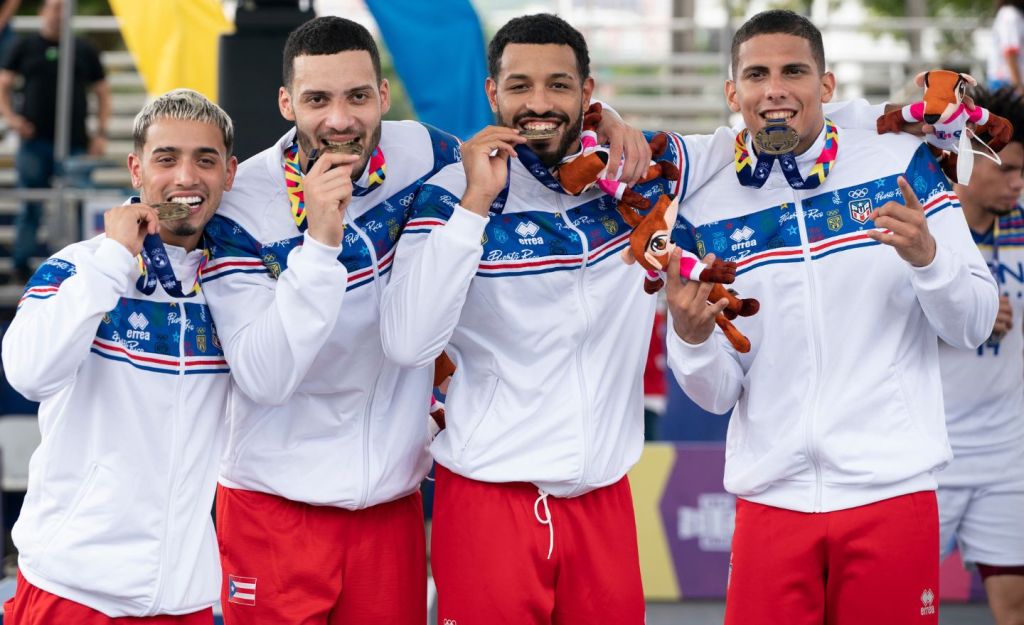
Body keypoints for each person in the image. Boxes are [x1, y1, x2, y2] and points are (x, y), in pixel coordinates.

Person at [198, 16, 648, 625]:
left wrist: (603, 121)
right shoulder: (241, 206)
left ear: (384, 96)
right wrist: (321, 247)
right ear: (286, 103)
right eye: (317, 99)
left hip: (390, 506)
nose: (340, 119)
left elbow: (527, 133)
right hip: (274, 505)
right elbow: (265, 378)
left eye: (358, 96)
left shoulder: (425, 153)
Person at [665, 10, 999, 625]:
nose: (775, 89)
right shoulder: (704, 207)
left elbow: (973, 323)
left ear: (826, 85)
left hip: (892, 493)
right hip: (771, 501)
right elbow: (717, 395)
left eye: (794, 71)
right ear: (733, 93)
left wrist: (929, 259)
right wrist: (689, 341)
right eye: (757, 74)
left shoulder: (900, 163)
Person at [0, 88, 236, 624]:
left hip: (185, 597)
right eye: (166, 158)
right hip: (75, 589)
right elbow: (27, 373)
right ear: (136, 169)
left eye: (205, 160)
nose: (186, 177)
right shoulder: (78, 266)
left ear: (230, 174)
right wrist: (111, 261)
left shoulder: (237, 285)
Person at [937, 86, 1024, 625]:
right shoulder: (927, 229)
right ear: (967, 162)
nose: (1018, 183)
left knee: (1015, 605)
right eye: (1008, 169)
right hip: (927, 456)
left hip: (1008, 454)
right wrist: (964, 316)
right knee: (901, 604)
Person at [0, 0, 110, 281]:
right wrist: (12, 119)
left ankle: (83, 266)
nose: (57, 14)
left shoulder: (83, 48)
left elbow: (102, 92)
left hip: (76, 143)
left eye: (63, 8)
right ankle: (21, 266)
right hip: (34, 142)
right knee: (31, 205)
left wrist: (100, 133)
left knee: (79, 205)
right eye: (53, 8)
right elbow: (3, 84)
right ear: (42, 12)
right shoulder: (25, 46)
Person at [989, 0, 1024, 92]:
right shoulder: (1009, 14)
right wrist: (1019, 89)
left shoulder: (1016, 14)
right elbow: (1010, 52)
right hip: (1006, 83)